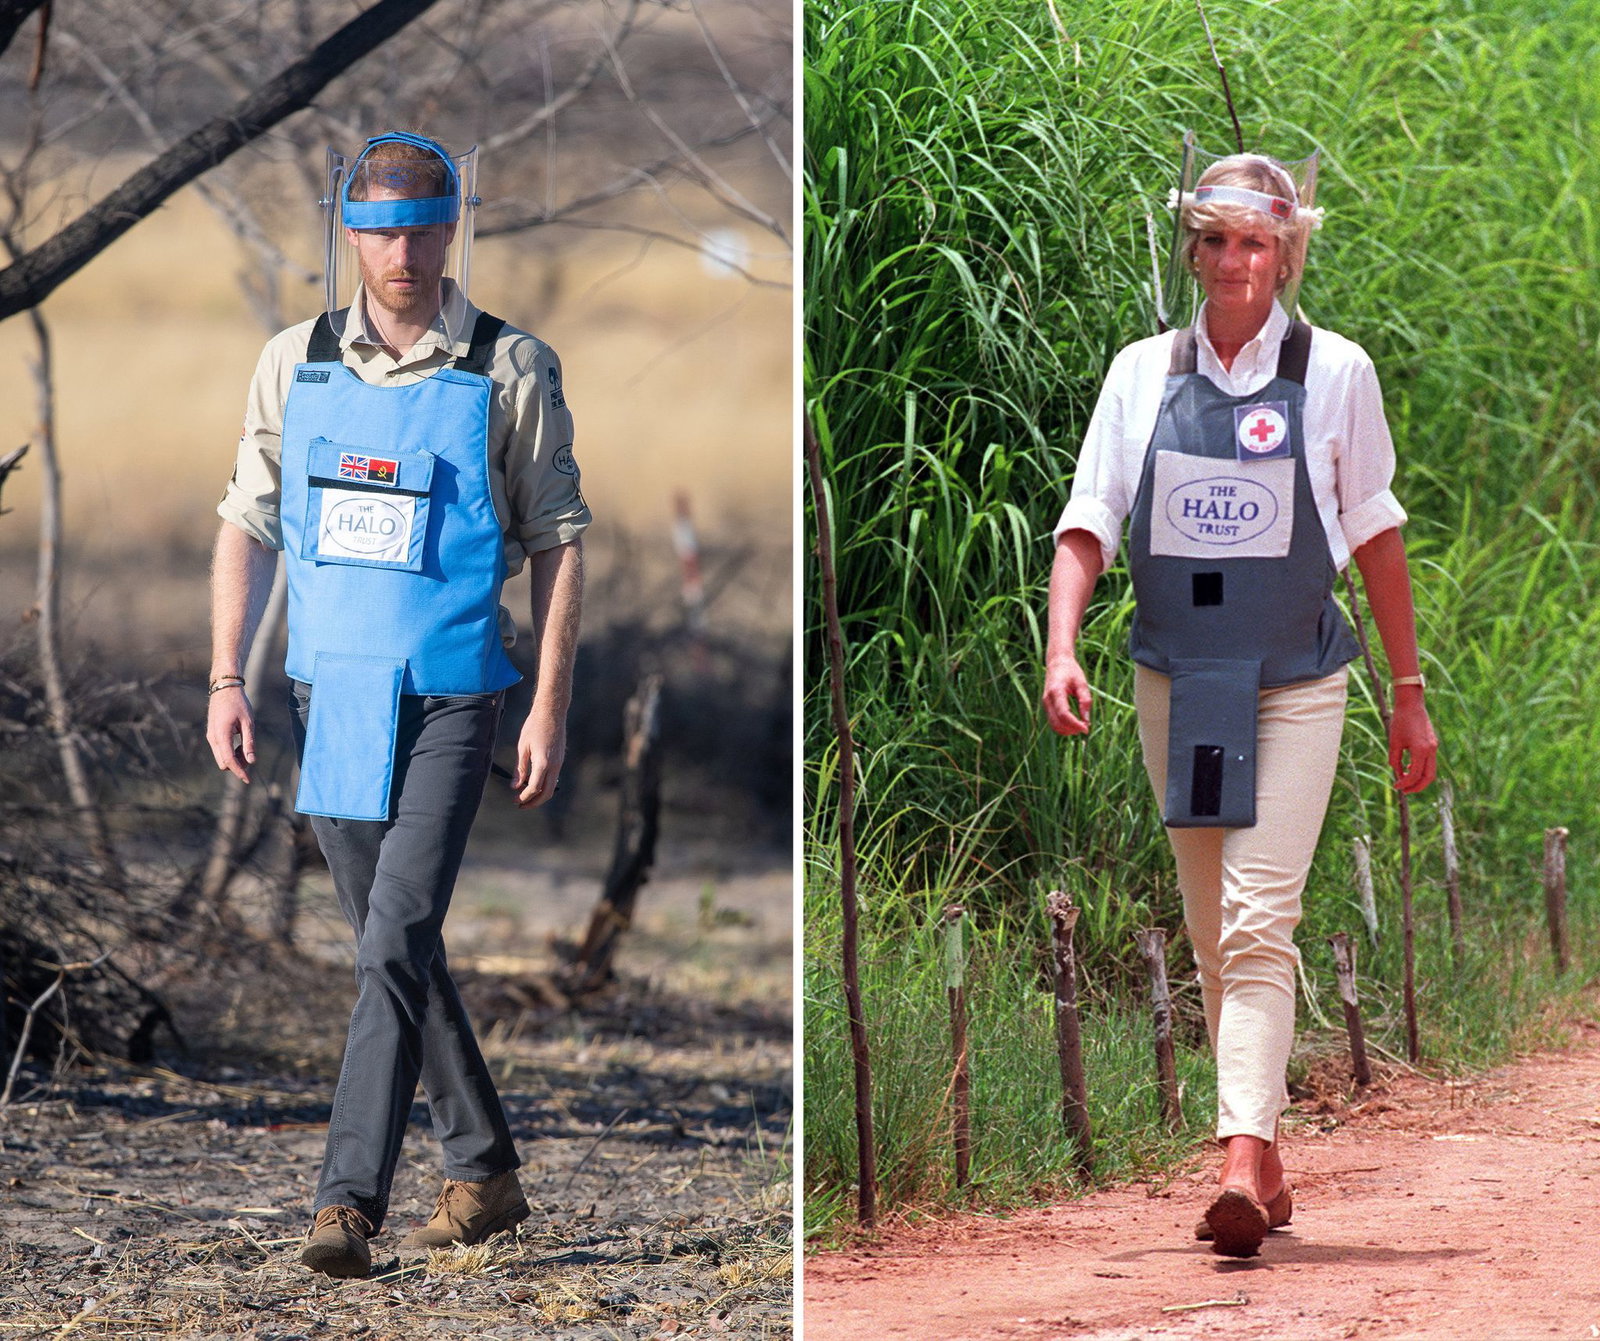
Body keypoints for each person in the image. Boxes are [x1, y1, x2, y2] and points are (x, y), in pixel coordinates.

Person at [205, 131, 590, 1278]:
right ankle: (485, 1171)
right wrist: (228, 673)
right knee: (394, 947)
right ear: (350, 235)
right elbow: (246, 520)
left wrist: (550, 707)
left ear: (451, 227)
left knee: (394, 940)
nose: (403, 254)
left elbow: (562, 544)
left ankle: (345, 1207)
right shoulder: (294, 361)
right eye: (380, 232)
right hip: (331, 697)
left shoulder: (509, 367)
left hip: (457, 699)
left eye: (424, 229)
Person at [1041, 150, 1437, 1257]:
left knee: (1263, 917)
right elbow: (1089, 516)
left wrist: (1408, 693)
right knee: (1217, 927)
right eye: (1212, 240)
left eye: (1252, 242)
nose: (1231, 262)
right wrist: (1060, 644)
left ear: (1286, 251)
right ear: (1192, 246)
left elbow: (1376, 536)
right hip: (1178, 678)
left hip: (1297, 681)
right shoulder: (1139, 373)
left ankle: (1228, 1159)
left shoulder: (1335, 372)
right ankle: (1263, 1158)